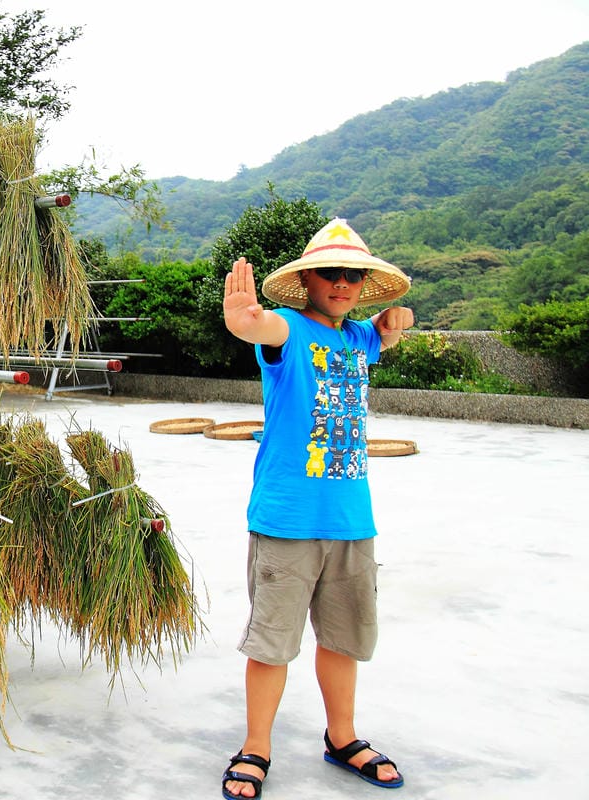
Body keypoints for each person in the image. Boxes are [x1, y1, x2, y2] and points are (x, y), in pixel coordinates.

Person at [219, 218, 414, 799]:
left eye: (354, 275)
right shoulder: (290, 333)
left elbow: (386, 335)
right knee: (271, 643)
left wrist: (396, 321)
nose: (343, 283)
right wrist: (243, 320)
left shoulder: (358, 339)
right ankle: (256, 747)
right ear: (307, 280)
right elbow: (261, 326)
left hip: (352, 521)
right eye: (330, 273)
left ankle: (343, 737)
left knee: (343, 639)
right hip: (288, 521)